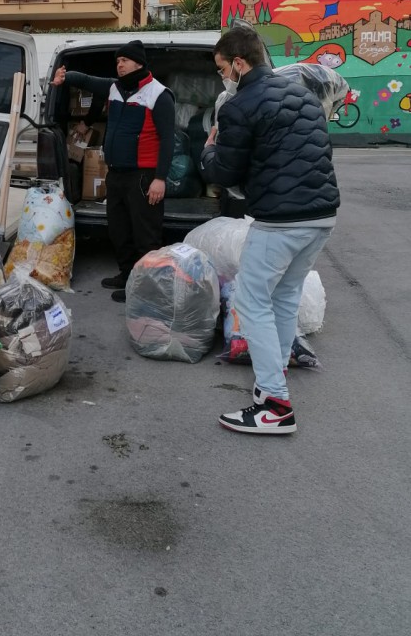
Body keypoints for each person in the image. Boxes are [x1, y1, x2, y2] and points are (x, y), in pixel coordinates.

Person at [200, 26, 340, 435]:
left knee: (250, 299)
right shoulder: (302, 94)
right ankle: (270, 387)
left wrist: (208, 149)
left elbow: (226, 172)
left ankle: (276, 407)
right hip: (322, 214)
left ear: (240, 64)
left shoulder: (240, 105)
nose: (223, 76)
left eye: (223, 68)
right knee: (282, 298)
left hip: (283, 219)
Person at [51, 39, 175, 302]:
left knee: (146, 236)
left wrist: (160, 179)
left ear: (138, 63)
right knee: (119, 230)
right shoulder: (115, 89)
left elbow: (168, 140)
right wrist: (65, 75)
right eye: (117, 61)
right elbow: (86, 80)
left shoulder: (158, 95)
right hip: (116, 174)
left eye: (124, 60)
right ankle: (127, 274)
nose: (119, 65)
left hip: (144, 176)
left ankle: (145, 289)